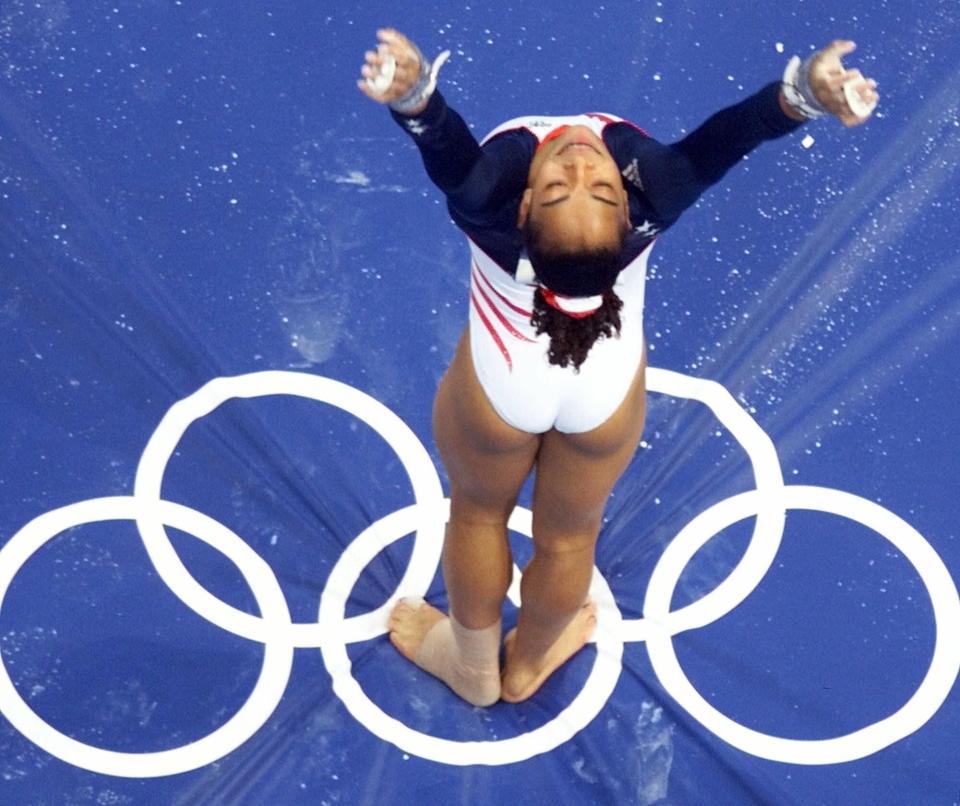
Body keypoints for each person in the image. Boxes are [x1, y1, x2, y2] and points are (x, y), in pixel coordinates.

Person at [356, 29, 878, 706]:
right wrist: (802, 95)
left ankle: (475, 669)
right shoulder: (651, 194)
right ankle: (529, 663)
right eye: (588, 186)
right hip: (600, 391)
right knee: (571, 540)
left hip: (501, 386)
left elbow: (452, 156)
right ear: (631, 215)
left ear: (521, 208)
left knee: (479, 513)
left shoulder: (492, 202)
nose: (579, 162)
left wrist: (417, 102)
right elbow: (727, 141)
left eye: (587, 187)